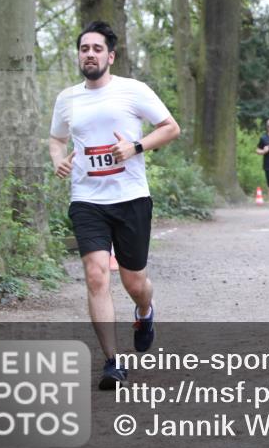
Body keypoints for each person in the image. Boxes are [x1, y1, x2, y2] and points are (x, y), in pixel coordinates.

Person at [49, 21, 181, 390]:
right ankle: (112, 362)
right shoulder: (67, 98)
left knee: (134, 281)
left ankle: (144, 312)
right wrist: (57, 158)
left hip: (131, 198)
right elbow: (56, 138)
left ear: (111, 55)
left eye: (96, 48)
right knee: (95, 275)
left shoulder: (132, 91)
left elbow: (171, 127)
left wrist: (135, 147)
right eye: (83, 48)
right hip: (87, 199)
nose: (89, 54)